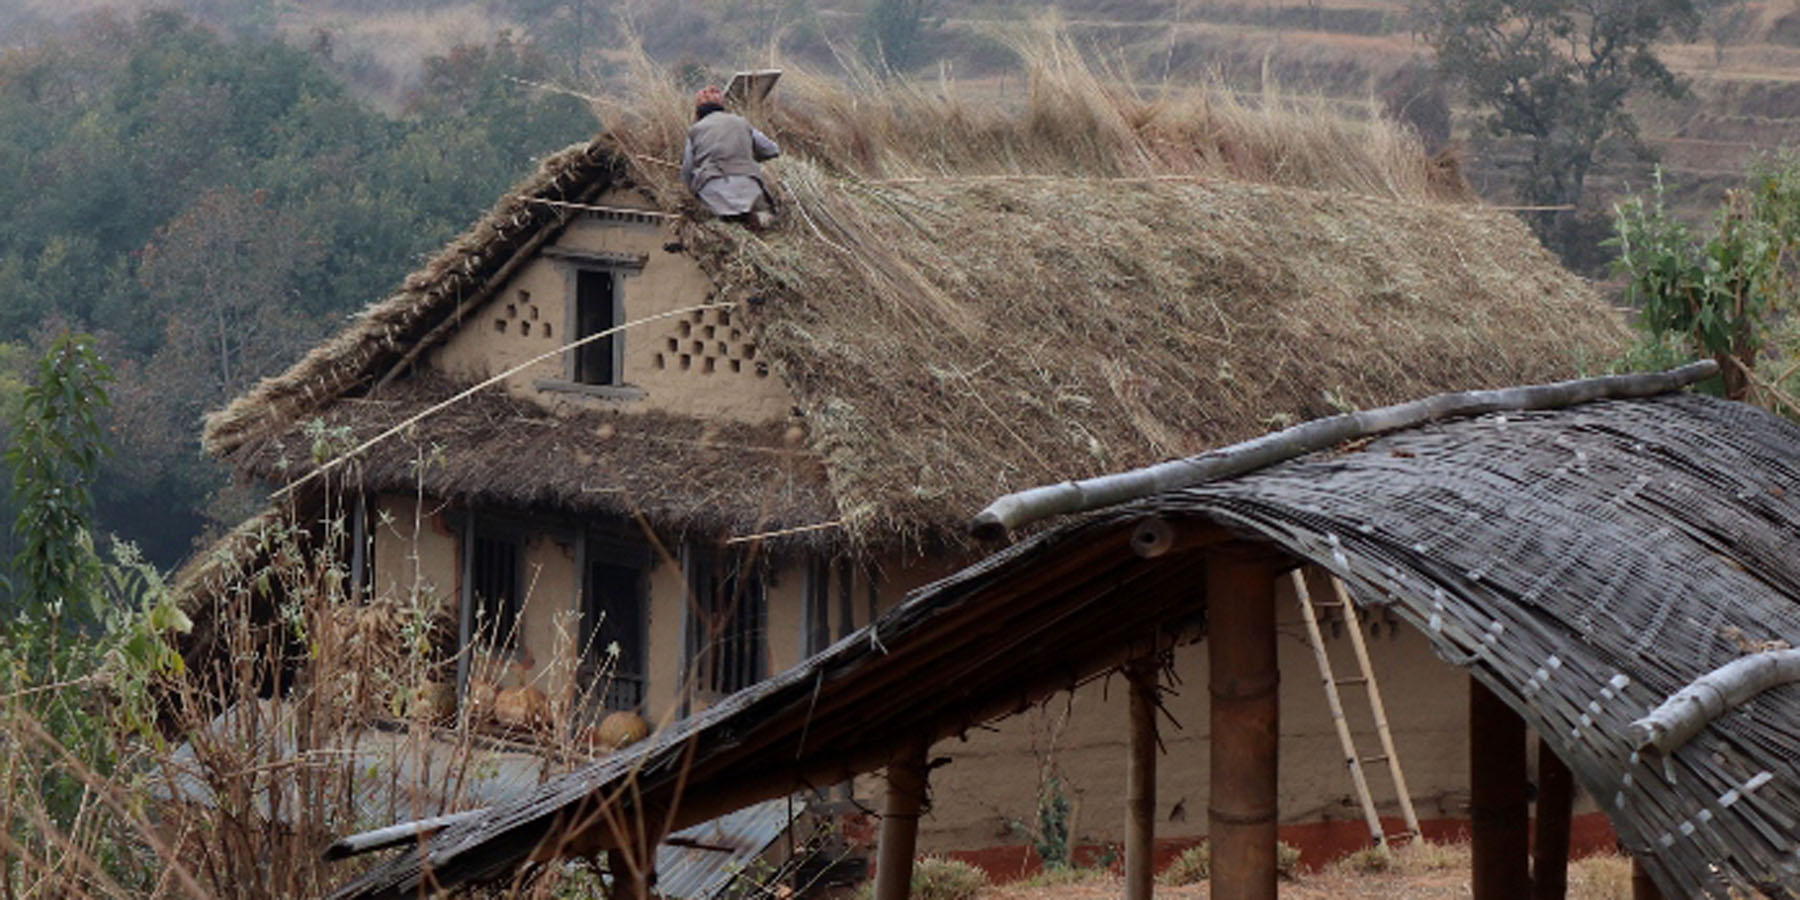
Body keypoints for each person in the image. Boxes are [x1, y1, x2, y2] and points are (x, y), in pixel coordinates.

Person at [680, 86, 781, 228]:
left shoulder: (695, 130)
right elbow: (772, 150)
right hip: (749, 189)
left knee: (712, 217)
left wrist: (690, 192)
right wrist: (747, 157)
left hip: (713, 192)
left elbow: (687, 171)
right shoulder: (741, 122)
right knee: (763, 215)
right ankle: (757, 218)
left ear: (698, 113)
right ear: (722, 107)